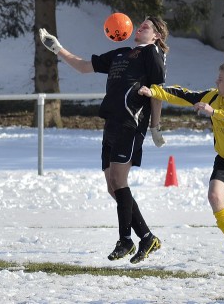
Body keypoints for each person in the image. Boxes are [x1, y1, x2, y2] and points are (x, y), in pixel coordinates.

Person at [38, 15, 169, 264]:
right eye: (140, 24)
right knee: (112, 186)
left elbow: (157, 92)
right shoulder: (121, 53)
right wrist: (57, 47)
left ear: (157, 36)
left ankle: (126, 240)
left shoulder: (152, 53)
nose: (140, 26)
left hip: (131, 123)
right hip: (111, 123)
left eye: (146, 26)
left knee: (120, 180)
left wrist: (155, 126)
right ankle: (147, 237)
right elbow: (84, 66)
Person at [138, 61, 224, 265]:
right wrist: (155, 91)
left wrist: (215, 113)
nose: (216, 82)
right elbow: (184, 94)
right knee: (214, 196)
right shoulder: (213, 96)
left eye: (221, 79)